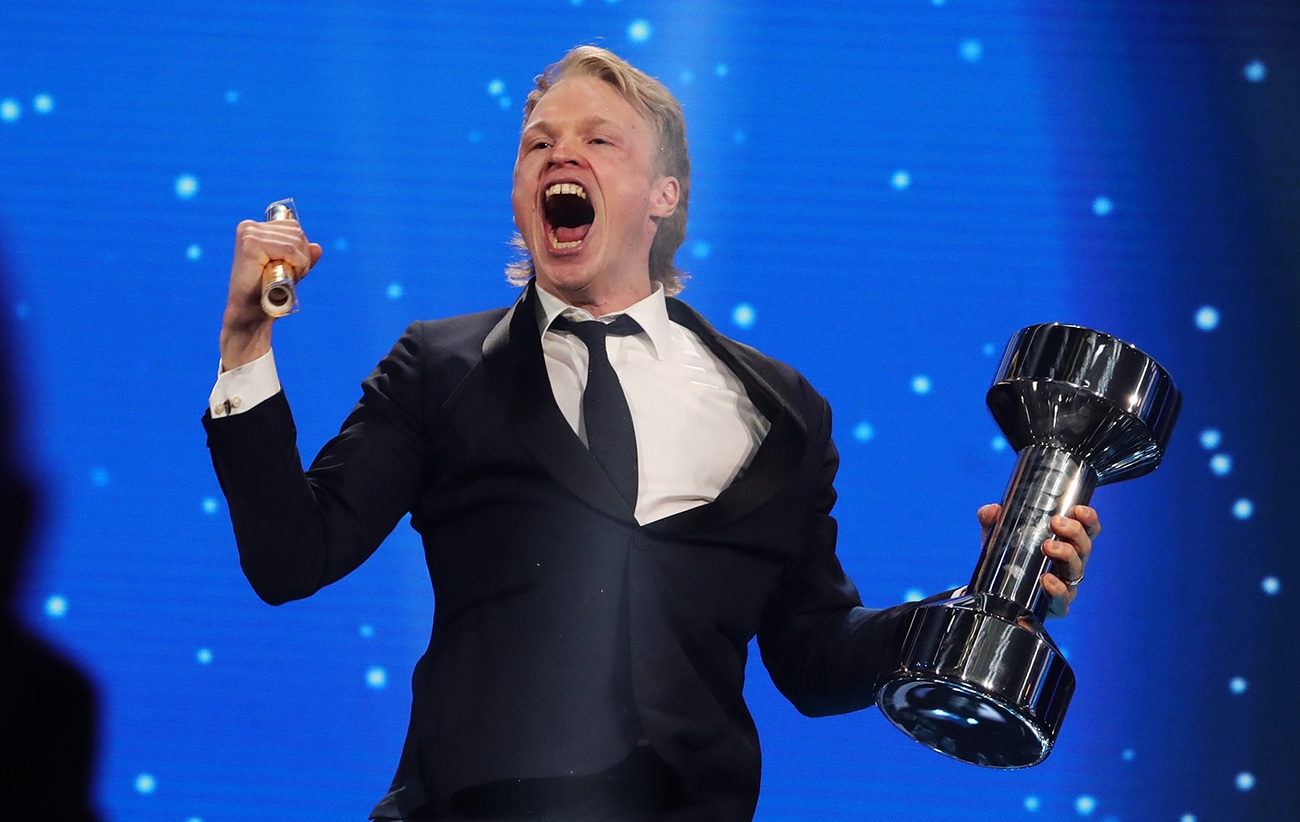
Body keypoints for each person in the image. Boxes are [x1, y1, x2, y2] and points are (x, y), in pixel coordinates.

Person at [203, 46, 1098, 821]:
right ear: (519, 192)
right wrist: (246, 344)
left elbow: (814, 654)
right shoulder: (441, 367)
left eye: (600, 140)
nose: (562, 155)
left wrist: (978, 609)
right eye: (538, 144)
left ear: (665, 193)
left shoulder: (780, 410)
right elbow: (291, 557)